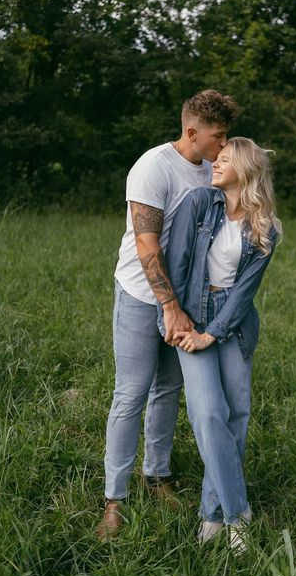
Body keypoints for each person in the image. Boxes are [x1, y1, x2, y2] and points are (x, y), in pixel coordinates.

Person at [97, 90, 239, 540]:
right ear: (192, 131)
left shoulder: (210, 172)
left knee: (168, 391)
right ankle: (114, 499)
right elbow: (146, 245)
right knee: (131, 395)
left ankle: (155, 476)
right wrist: (169, 307)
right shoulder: (153, 167)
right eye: (217, 136)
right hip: (143, 296)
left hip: (188, 302)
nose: (223, 146)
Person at [160, 137, 282, 552]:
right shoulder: (199, 203)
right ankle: (238, 513)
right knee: (209, 414)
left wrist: (213, 333)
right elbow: (177, 264)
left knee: (236, 417)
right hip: (191, 312)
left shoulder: (266, 228)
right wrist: (176, 316)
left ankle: (212, 513)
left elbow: (245, 292)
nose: (215, 162)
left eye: (225, 160)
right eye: (217, 157)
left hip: (233, 322)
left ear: (245, 171)